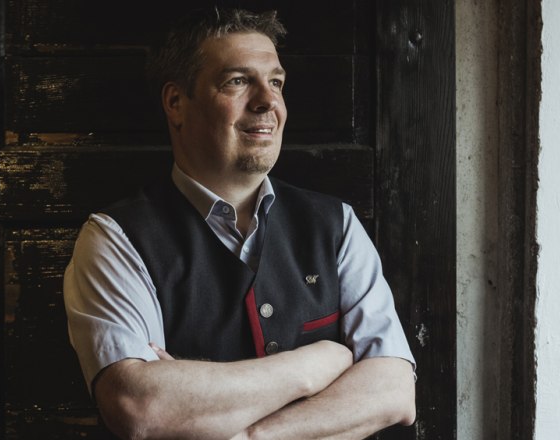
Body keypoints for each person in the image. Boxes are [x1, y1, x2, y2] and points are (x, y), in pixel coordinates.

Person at [63, 8, 416, 439]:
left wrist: (249, 434)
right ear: (176, 103)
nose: (268, 102)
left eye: (276, 82)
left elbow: (394, 392)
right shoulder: (115, 240)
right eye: (237, 80)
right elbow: (140, 406)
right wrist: (319, 363)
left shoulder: (336, 225)